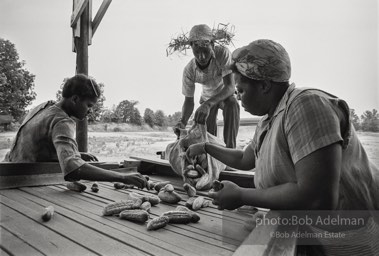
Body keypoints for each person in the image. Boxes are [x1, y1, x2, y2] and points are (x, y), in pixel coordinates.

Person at [186, 39, 379, 255]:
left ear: (265, 86)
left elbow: (317, 197)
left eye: (240, 90)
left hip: (353, 237)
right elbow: (244, 159)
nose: (237, 98)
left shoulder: (306, 106)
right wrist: (205, 147)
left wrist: (241, 195)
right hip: (314, 233)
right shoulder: (268, 120)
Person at [4, 74, 147, 188]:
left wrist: (75, 154)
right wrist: (122, 177)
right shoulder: (62, 121)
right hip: (19, 181)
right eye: (89, 105)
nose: (89, 111)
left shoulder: (44, 107)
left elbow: (36, 148)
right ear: (75, 99)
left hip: (6, 169)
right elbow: (72, 168)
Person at [173, 24, 240, 148]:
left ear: (213, 45)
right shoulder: (189, 70)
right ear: (191, 47)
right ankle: (212, 156)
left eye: (205, 51)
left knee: (232, 104)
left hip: (224, 95)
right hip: (206, 98)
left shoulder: (222, 54)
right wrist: (182, 122)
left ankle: (231, 150)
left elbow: (230, 87)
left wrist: (208, 104)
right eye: (197, 52)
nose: (202, 57)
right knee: (209, 137)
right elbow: (188, 101)